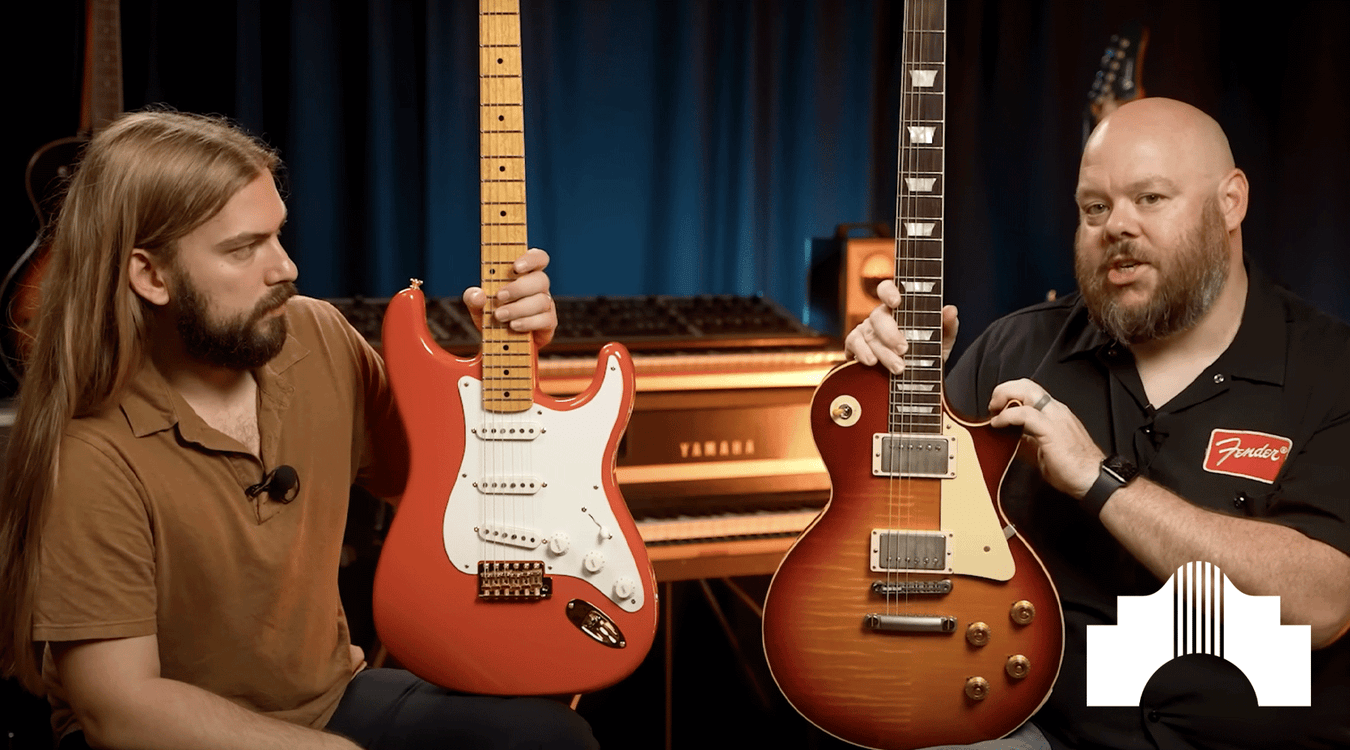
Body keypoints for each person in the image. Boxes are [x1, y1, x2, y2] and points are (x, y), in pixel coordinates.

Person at [0, 110, 595, 750]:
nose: (285, 267)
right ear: (151, 276)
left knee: (550, 736)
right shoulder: (89, 452)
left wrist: (509, 362)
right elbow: (121, 709)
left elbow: (437, 484)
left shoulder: (316, 334)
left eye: (277, 235)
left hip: (330, 701)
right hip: (169, 734)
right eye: (243, 248)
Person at [846, 98, 1350, 749]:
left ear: (1230, 202)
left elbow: (1322, 606)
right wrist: (888, 397)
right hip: (1046, 733)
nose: (1117, 226)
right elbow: (888, 544)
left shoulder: (1330, 369)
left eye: (1150, 198)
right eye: (1095, 207)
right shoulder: (1013, 351)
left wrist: (1099, 479)